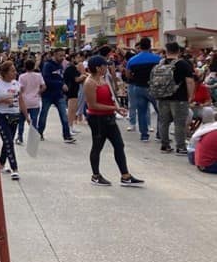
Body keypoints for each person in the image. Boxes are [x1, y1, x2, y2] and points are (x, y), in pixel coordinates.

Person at [83, 55, 144, 186]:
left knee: (119, 144)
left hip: (109, 117)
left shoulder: (103, 79)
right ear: (98, 68)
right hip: (97, 119)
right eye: (105, 66)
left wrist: (115, 108)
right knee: (97, 146)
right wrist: (114, 108)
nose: (107, 67)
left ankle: (125, 175)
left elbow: (109, 97)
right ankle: (96, 175)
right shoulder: (89, 83)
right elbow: (92, 105)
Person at [0, 61, 30, 180]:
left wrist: (26, 116)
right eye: (12, 71)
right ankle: (14, 168)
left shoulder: (16, 84)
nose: (15, 73)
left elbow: (21, 100)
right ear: (4, 73)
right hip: (1, 115)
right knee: (9, 141)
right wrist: (1, 100)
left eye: (15, 70)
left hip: (14, 115)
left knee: (8, 140)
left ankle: (1, 164)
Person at [154, 42, 195, 156]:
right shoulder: (183, 64)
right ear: (179, 51)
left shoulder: (160, 63)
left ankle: (165, 145)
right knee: (179, 123)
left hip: (161, 96)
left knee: (163, 122)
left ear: (166, 51)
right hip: (179, 98)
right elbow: (190, 81)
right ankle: (181, 148)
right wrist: (190, 96)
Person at [124, 38, 160, 142]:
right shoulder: (157, 59)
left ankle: (144, 135)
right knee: (160, 112)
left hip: (138, 87)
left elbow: (128, 74)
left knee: (141, 112)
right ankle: (159, 134)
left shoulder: (132, 60)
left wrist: (135, 78)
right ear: (150, 46)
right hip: (154, 88)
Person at [37, 48, 76, 144]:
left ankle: (67, 135)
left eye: (64, 56)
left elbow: (61, 78)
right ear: (54, 55)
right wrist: (60, 84)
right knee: (43, 114)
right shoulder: (48, 65)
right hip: (48, 95)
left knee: (64, 115)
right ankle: (39, 133)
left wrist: (63, 84)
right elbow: (46, 80)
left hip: (59, 95)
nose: (62, 58)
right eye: (60, 55)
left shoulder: (61, 66)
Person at [16, 59, 45, 145]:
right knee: (34, 121)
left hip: (24, 102)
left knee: (21, 121)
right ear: (33, 66)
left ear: (25, 67)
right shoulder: (38, 76)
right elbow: (44, 87)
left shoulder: (22, 76)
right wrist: (38, 92)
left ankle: (20, 137)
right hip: (35, 101)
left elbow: (20, 89)